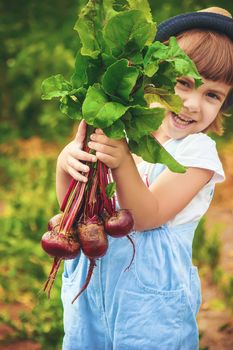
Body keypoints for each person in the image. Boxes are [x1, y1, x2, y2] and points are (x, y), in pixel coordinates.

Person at [56, 7, 233, 350]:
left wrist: (122, 163)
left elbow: (147, 216)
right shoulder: (121, 134)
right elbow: (70, 208)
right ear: (149, 80)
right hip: (88, 301)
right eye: (183, 83)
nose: (193, 104)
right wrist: (66, 164)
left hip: (151, 314)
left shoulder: (197, 154)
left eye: (213, 95)